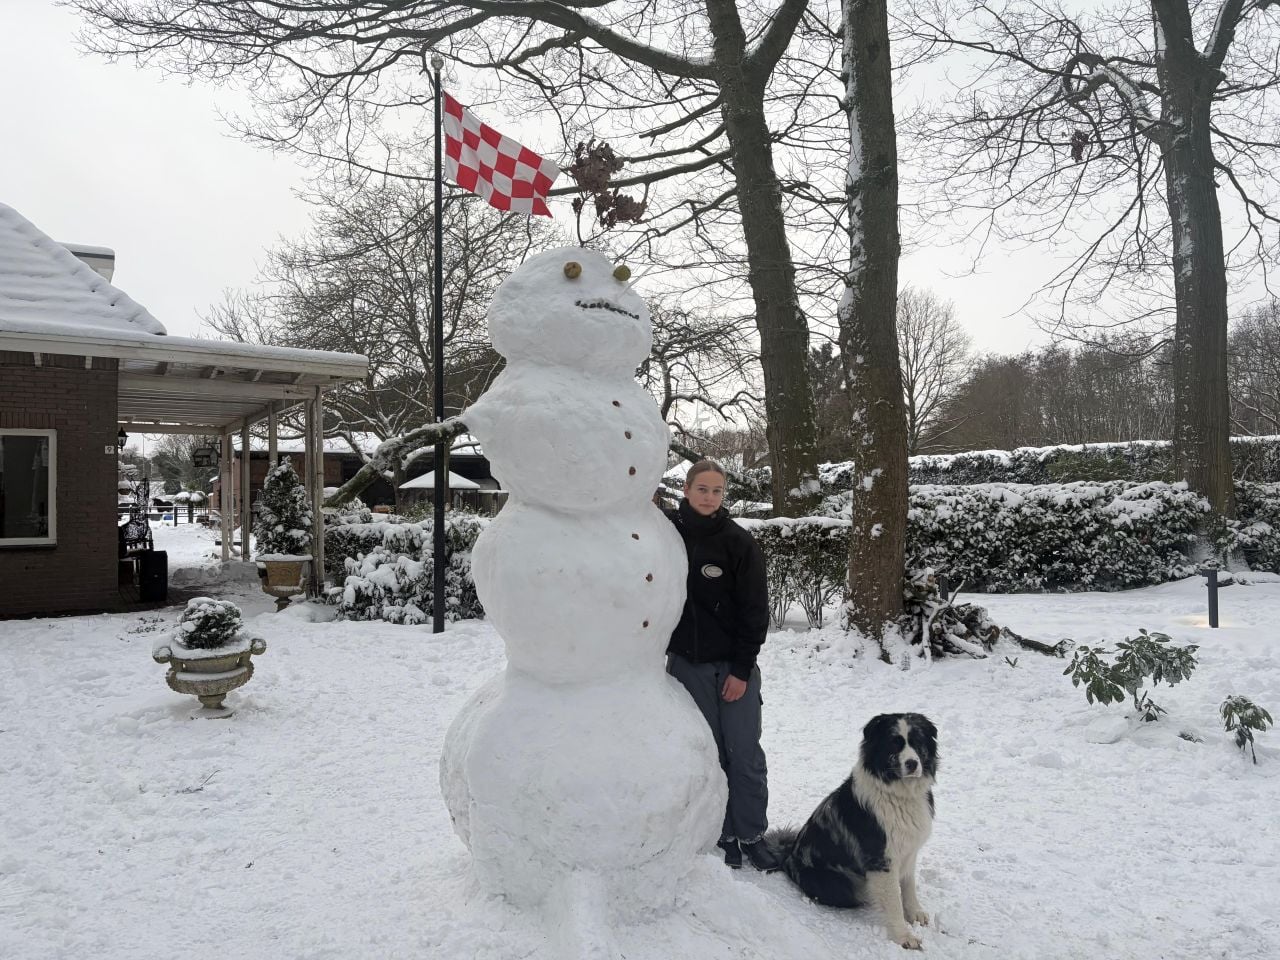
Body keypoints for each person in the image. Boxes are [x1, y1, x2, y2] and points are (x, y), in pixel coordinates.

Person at [665, 459, 777, 871]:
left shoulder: (738, 544)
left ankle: (751, 833)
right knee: (706, 754)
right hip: (686, 667)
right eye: (702, 490)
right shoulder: (668, 536)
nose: (710, 498)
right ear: (687, 490)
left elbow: (754, 613)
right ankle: (719, 832)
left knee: (743, 753)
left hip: (733, 667)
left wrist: (742, 670)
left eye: (717, 491)